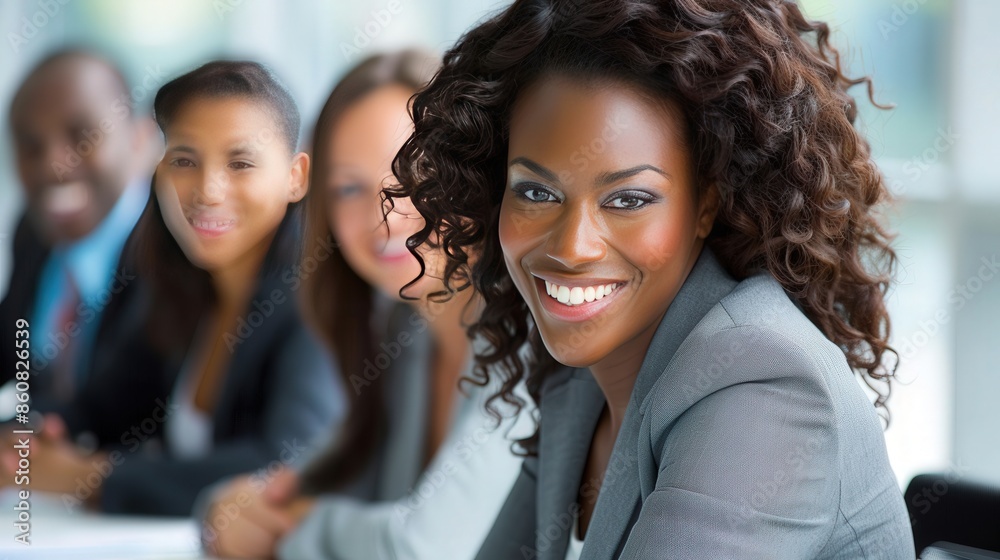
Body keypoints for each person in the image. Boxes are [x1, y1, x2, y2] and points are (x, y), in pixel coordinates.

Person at [386, 0, 916, 558]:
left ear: (706, 205)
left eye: (628, 199)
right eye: (537, 193)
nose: (571, 248)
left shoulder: (763, 388)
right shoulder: (580, 387)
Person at [202, 51, 526, 560]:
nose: (386, 216)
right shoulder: (406, 333)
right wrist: (224, 506)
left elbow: (421, 549)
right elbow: (294, 483)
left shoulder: (528, 340)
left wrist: (292, 528)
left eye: (416, 170)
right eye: (349, 187)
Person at [7, 60, 345, 516]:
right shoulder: (182, 287)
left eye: (240, 162)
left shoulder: (316, 300)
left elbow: (283, 465)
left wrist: (88, 478)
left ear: (296, 176)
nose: (207, 190)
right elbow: (95, 408)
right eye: (184, 160)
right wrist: (25, 437)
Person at [0, 49, 169, 454]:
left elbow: (126, 406)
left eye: (81, 136)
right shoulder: (33, 232)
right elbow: (10, 347)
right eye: (31, 145)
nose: (52, 166)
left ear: (140, 140)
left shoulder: (175, 247)